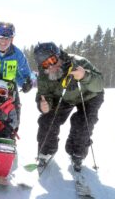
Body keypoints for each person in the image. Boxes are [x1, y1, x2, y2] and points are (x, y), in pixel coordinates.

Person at [33, 42, 104, 172]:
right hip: (64, 98)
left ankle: (76, 153)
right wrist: (44, 106)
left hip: (89, 96)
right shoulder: (44, 76)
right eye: (45, 64)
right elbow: (44, 95)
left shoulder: (79, 63)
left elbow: (99, 85)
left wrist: (84, 76)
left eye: (53, 60)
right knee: (47, 120)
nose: (51, 66)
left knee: (82, 123)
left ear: (59, 55)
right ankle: (46, 151)